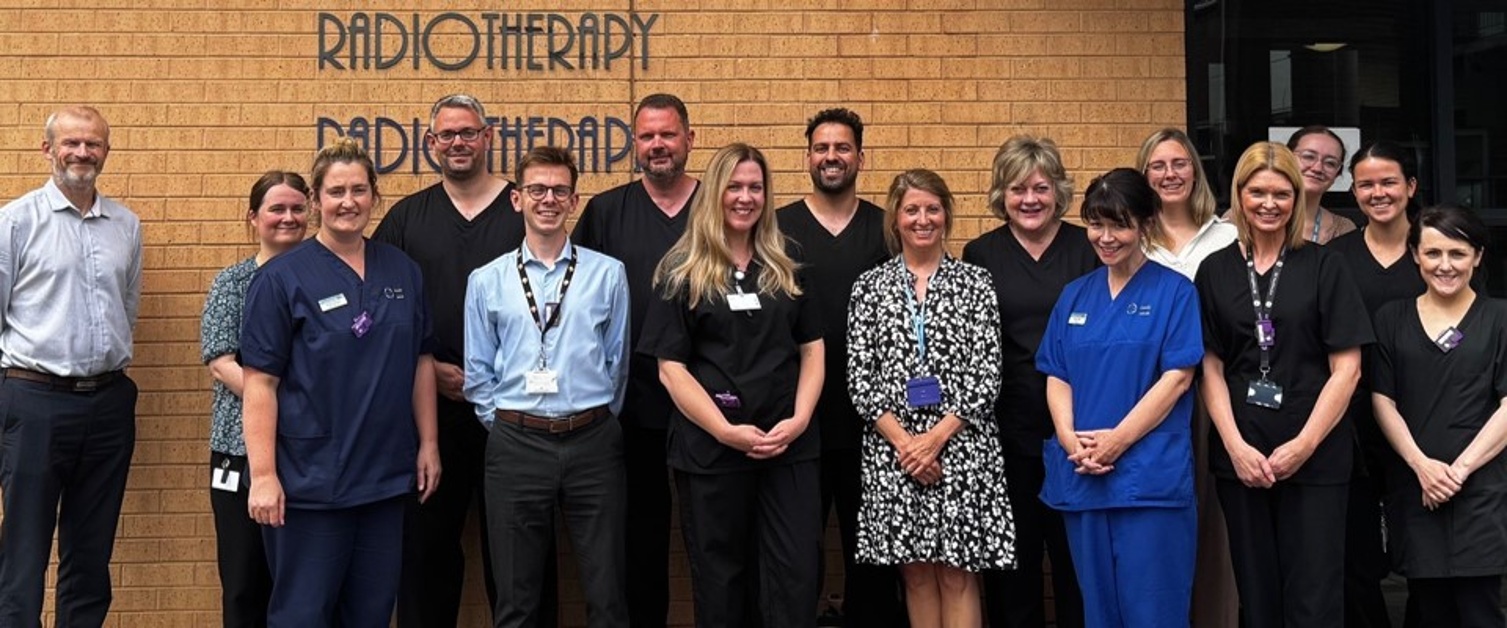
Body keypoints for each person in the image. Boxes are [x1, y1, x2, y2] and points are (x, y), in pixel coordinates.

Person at [241, 138, 442, 626]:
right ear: (316, 200)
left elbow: (421, 360)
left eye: (358, 190)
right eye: (335, 192)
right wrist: (264, 475)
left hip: (384, 480)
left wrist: (429, 443)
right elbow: (260, 383)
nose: (348, 202)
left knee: (371, 613)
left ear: (374, 195)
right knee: (302, 614)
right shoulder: (281, 279)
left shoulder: (403, 271)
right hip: (309, 484)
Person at [638, 143, 824, 627]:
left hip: (787, 447)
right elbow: (671, 369)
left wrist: (800, 419)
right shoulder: (682, 270)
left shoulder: (788, 262)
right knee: (721, 581)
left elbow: (812, 349)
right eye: (735, 187)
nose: (745, 197)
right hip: (713, 452)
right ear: (716, 192)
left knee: (795, 575)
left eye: (755, 187)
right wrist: (724, 431)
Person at [1195, 141, 1371, 627]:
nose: (1269, 204)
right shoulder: (1214, 271)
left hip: (1316, 457)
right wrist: (1234, 447)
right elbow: (1210, 367)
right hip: (1242, 458)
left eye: (1281, 193)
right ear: (1239, 195)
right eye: (1257, 192)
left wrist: (1303, 446)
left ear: (1296, 198)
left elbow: (1348, 370)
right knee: (1258, 595)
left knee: (1314, 598)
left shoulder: (1326, 266)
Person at [371, 93, 526, 627]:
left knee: (518, 554)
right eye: (447, 135)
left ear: (488, 137)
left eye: (468, 132)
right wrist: (426, 370)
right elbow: (376, 311)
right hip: (429, 411)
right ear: (430, 143)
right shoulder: (406, 218)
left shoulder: (522, 209)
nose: (458, 143)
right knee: (425, 553)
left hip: (514, 408)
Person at [464, 146, 631, 627]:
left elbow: (617, 362)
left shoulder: (608, 274)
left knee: (607, 594)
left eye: (560, 190)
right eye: (537, 189)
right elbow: (478, 372)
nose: (548, 199)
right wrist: (510, 423)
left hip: (593, 444)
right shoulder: (487, 280)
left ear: (574, 201)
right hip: (516, 446)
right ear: (517, 199)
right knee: (517, 601)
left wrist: (593, 416)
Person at [848, 169, 1015, 628]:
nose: (922, 220)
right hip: (893, 452)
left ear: (946, 214)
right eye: (911, 210)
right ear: (895, 218)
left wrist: (934, 441)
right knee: (916, 574)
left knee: (958, 574)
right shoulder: (869, 287)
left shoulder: (976, 283)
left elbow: (986, 374)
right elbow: (861, 379)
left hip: (962, 447)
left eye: (932, 209)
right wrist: (908, 446)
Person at [1037, 168, 1203, 626]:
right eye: (1096, 224)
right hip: (1085, 476)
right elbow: (1057, 374)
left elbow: (1178, 379)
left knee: (1154, 611)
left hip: (1147, 481)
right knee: (1098, 612)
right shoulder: (1074, 297)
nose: (1106, 237)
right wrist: (1070, 440)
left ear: (1146, 224)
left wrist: (1117, 441)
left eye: (1119, 225)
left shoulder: (1175, 293)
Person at [0, 106, 143, 626]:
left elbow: (127, 308)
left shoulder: (125, 225)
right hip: (34, 399)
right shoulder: (15, 222)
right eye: (71, 143)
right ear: (48, 149)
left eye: (93, 143)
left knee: (91, 551)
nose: (82, 152)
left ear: (106, 151)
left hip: (108, 403)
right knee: (24, 549)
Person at [571, 93, 698, 628]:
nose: (657, 145)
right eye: (647, 136)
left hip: (710, 402)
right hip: (631, 405)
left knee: (713, 536)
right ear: (634, 143)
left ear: (690, 138)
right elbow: (575, 299)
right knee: (639, 540)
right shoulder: (606, 212)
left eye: (667, 134)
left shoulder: (719, 205)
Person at [775, 107, 902, 625]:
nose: (831, 157)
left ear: (860, 158)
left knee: (871, 560)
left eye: (842, 148)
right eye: (822, 148)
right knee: (796, 556)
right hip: (795, 421)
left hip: (875, 424)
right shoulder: (777, 228)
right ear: (807, 157)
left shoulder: (887, 228)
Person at [962, 135, 1089, 628]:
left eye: (1040, 187)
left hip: (1079, 433)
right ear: (1002, 194)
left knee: (1076, 565)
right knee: (1013, 568)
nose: (1030, 199)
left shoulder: (1087, 249)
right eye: (1018, 189)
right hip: (1005, 435)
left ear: (1058, 190)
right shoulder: (980, 254)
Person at [1371, 205, 1507, 628]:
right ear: (1415, 254)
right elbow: (1382, 400)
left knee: (1481, 609)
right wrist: (1423, 468)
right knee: (1427, 609)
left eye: (1457, 253)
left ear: (1477, 257)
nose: (1445, 265)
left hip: (1481, 491)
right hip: (1417, 488)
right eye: (1433, 253)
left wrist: (1458, 472)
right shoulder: (1391, 318)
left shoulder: (1500, 318)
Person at [1134, 127, 1239, 628]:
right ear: (1144, 175)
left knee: (1215, 524)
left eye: (1179, 164)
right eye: (1157, 166)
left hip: (1215, 393)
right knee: (1159, 524)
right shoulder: (1131, 239)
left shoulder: (1229, 237)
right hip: (1148, 395)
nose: (1170, 174)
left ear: (1195, 171)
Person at [200, 171, 310, 628]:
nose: (288, 217)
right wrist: (288, 405)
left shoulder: (322, 278)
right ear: (253, 217)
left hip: (309, 453)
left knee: (302, 581)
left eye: (297, 208)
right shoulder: (233, 282)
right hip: (238, 452)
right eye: (276, 209)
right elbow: (221, 362)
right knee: (244, 580)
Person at [1326, 140, 1426, 628]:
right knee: (1356, 554)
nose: (1377, 193)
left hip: (1425, 421)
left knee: (1426, 552)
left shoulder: (1436, 250)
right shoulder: (1335, 257)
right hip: (1351, 424)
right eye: (1366, 184)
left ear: (1411, 186)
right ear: (1354, 190)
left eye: (1389, 182)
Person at [1286, 125, 1356, 244]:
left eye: (1330, 163)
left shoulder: (1343, 230)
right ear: (1287, 159)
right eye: (1309, 157)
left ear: (1337, 174)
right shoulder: (1260, 217)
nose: (1317, 168)